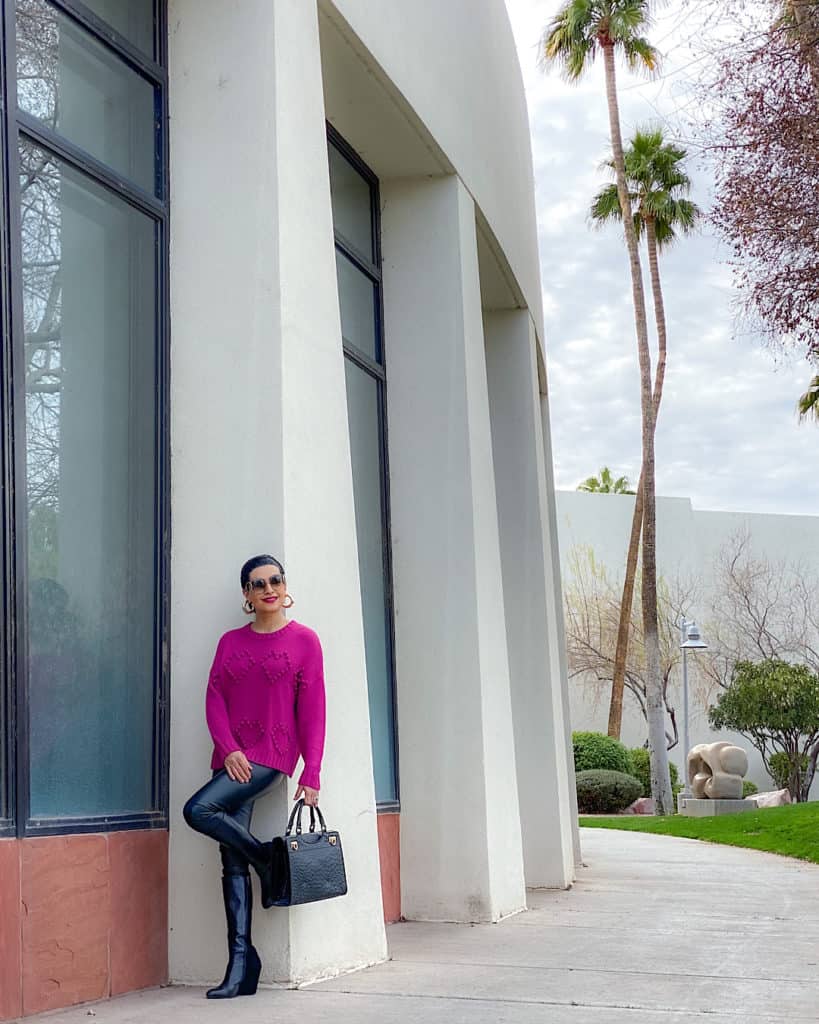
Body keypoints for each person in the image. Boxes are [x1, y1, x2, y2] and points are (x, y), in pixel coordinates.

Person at [183, 554, 326, 999]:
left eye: (275, 580)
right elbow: (214, 698)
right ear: (246, 594)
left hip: (273, 755)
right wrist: (228, 749)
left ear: (285, 586)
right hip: (231, 758)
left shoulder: (305, 641)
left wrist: (312, 771)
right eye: (257, 583)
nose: (268, 588)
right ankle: (242, 965)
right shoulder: (229, 642)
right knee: (230, 861)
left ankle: (266, 860)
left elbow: (314, 710)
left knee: (198, 809)